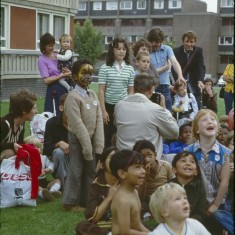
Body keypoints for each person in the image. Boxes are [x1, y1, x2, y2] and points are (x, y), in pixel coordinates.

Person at [62, 58, 104, 211]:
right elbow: (77, 124)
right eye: (84, 73)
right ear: (74, 76)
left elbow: (99, 119)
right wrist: (86, 147)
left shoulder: (92, 94)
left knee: (90, 170)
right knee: (76, 170)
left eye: (90, 73)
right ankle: (70, 202)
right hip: (77, 139)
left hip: (91, 139)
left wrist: (98, 144)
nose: (88, 77)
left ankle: (86, 201)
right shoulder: (72, 98)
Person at [184, 109, 231, 235]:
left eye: (213, 119)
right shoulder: (188, 152)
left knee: (214, 231)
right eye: (204, 120)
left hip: (216, 205)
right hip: (193, 203)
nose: (210, 122)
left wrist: (215, 205)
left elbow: (224, 182)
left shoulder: (224, 153)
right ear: (197, 130)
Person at [114, 73, 179, 158]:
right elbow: (174, 132)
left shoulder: (119, 106)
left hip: (123, 159)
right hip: (146, 162)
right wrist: (164, 109)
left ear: (134, 88)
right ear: (152, 89)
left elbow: (116, 124)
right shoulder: (155, 109)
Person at [98, 37, 135, 148]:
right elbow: (101, 90)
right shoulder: (105, 68)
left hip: (123, 107)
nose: (121, 51)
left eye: (123, 49)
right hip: (108, 107)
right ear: (113, 50)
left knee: (122, 136)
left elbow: (131, 91)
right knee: (107, 137)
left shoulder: (130, 69)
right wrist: (103, 111)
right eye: (118, 49)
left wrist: (128, 108)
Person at [76, 146, 119, 235]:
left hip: (122, 224)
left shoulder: (126, 182)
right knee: (82, 226)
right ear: (102, 164)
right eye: (111, 158)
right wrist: (108, 198)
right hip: (102, 226)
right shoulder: (96, 185)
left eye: (117, 158)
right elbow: (92, 218)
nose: (115, 161)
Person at [109, 149, 149, 235]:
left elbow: (137, 223)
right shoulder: (123, 200)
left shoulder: (135, 192)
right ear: (122, 174)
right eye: (137, 167)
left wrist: (153, 233)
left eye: (142, 166)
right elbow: (125, 232)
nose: (143, 171)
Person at [132, 140, 174, 218]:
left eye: (150, 155)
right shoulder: (136, 172)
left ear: (155, 155)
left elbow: (174, 184)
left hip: (165, 198)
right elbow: (140, 197)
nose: (147, 159)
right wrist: (145, 177)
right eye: (143, 156)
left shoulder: (165, 166)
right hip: (147, 202)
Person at [147, 27, 185, 112]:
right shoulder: (147, 51)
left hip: (165, 87)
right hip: (152, 87)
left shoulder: (167, 49)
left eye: (160, 42)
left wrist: (180, 75)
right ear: (150, 41)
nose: (158, 45)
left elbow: (174, 62)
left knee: (167, 113)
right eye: (156, 42)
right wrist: (165, 67)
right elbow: (151, 72)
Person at [169, 151, 208, 224]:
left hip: (192, 225)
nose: (188, 163)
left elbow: (200, 212)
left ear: (196, 171)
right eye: (183, 161)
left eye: (192, 162)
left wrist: (188, 224)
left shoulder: (199, 187)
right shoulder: (168, 186)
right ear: (174, 170)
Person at [38, 33, 71, 116]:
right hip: (54, 92)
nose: (52, 47)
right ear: (43, 46)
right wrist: (61, 76)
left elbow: (69, 66)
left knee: (66, 116)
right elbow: (46, 81)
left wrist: (69, 73)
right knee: (54, 117)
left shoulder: (58, 55)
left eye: (53, 45)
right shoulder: (42, 59)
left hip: (65, 88)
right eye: (49, 46)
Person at [0, 89, 37, 163]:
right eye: (34, 108)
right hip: (5, 160)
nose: (36, 112)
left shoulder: (21, 124)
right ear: (24, 110)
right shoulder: (4, 124)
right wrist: (11, 145)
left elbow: (19, 144)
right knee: (10, 153)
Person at [172, 30, 206, 109]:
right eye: (187, 41)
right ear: (183, 41)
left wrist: (200, 80)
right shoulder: (176, 51)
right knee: (182, 107)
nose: (189, 44)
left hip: (194, 83)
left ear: (195, 42)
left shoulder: (198, 51)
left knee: (196, 106)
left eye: (191, 42)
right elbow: (174, 67)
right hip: (181, 83)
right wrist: (177, 80)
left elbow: (201, 66)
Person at [24, 135, 62, 202]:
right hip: (33, 182)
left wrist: (49, 169)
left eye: (38, 147)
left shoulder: (43, 158)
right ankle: (43, 196)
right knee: (38, 188)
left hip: (43, 181)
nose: (36, 149)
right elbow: (24, 170)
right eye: (33, 147)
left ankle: (52, 191)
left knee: (57, 180)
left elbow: (51, 164)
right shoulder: (26, 159)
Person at [43, 93, 69, 189]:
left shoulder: (80, 124)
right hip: (58, 163)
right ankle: (65, 185)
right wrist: (58, 144)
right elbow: (46, 150)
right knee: (58, 152)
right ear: (61, 108)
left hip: (76, 160)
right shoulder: (51, 123)